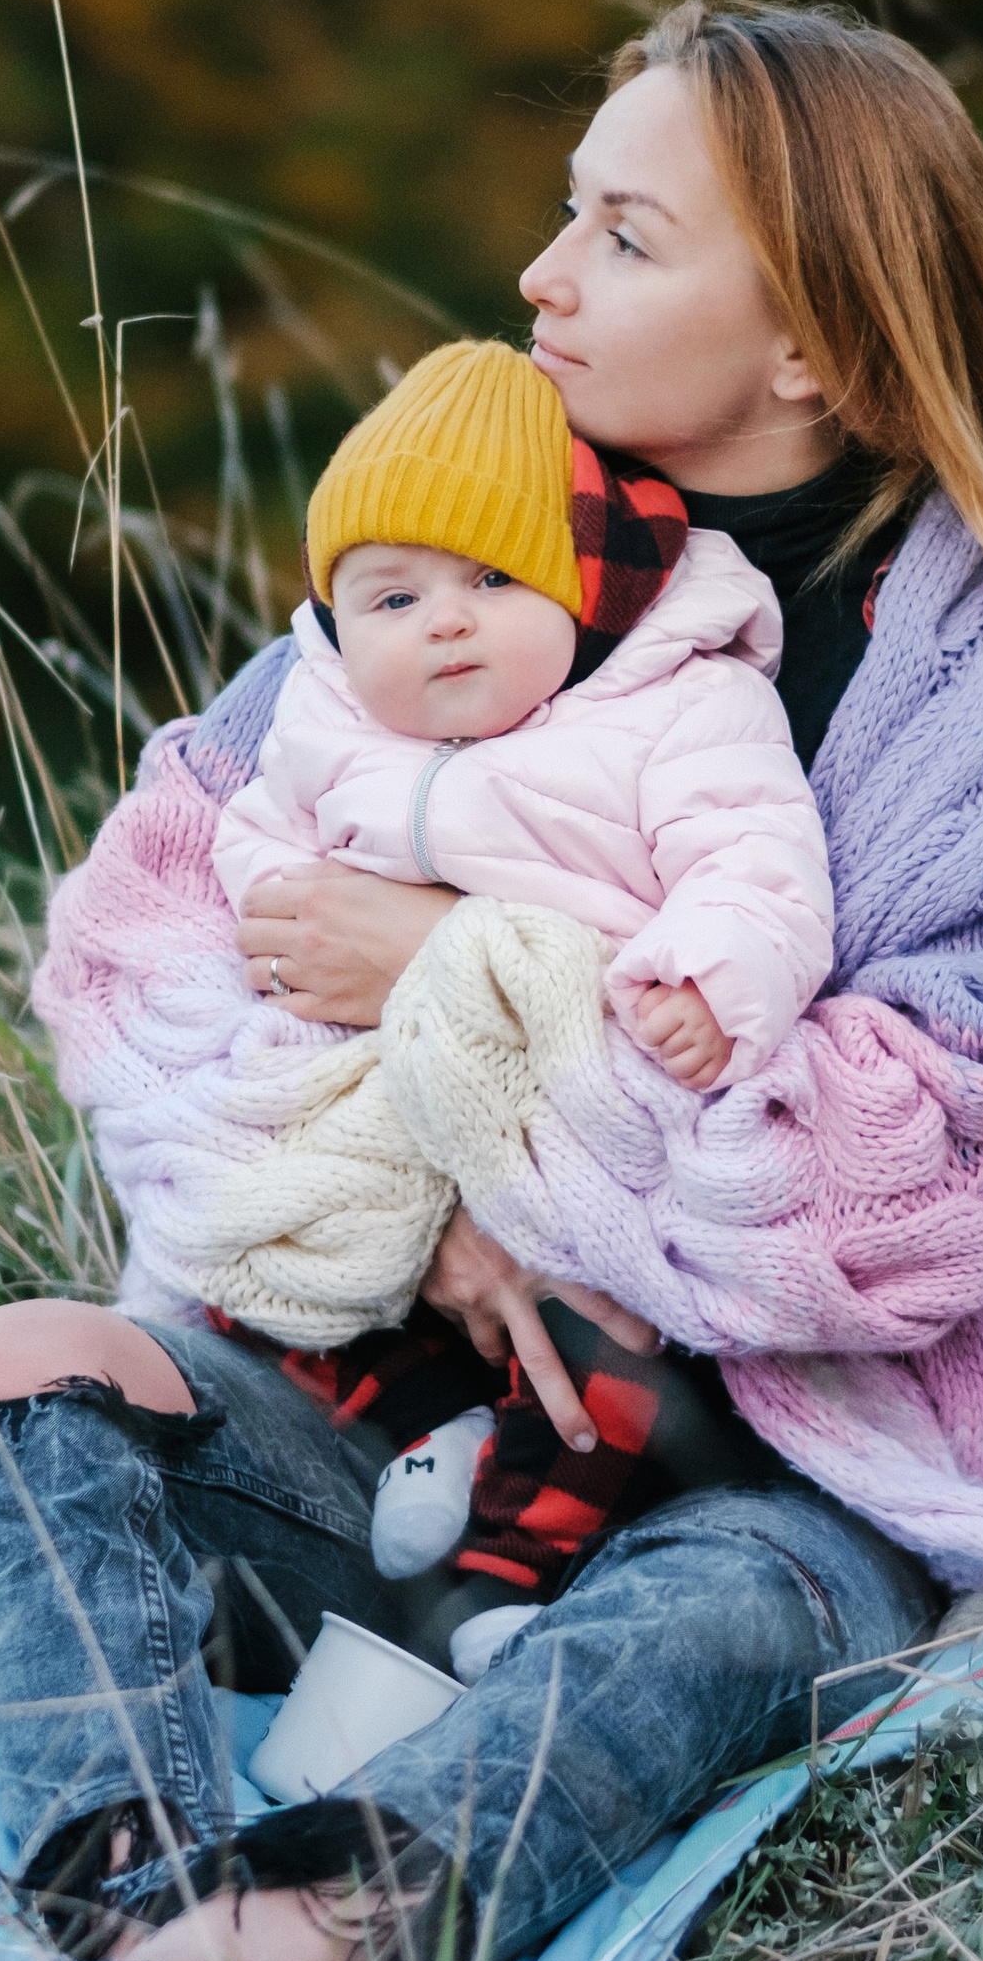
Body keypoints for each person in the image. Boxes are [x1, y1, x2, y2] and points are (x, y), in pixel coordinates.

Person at [0, 0, 983, 1961]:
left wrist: (461, 1009)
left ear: (813, 342)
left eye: (622, 234)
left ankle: (278, 1950)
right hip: (367, 1404)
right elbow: (150, 933)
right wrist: (417, 1218)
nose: (539, 277)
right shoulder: (459, 551)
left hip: (774, 1470)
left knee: (716, 1616)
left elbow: (922, 1181)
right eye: (562, 215)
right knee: (23, 1367)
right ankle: (123, 1895)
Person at [197, 329, 835, 1670]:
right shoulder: (325, 722)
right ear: (332, 623)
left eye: (494, 578)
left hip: (578, 1088)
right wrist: (278, 912)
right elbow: (250, 833)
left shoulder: (673, 710)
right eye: (391, 598)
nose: (444, 619)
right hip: (388, 1097)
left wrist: (712, 983)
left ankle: (506, 1577)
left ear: (580, 594)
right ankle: (431, 1425)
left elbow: (757, 862)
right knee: (274, 1256)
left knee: (599, 1346)